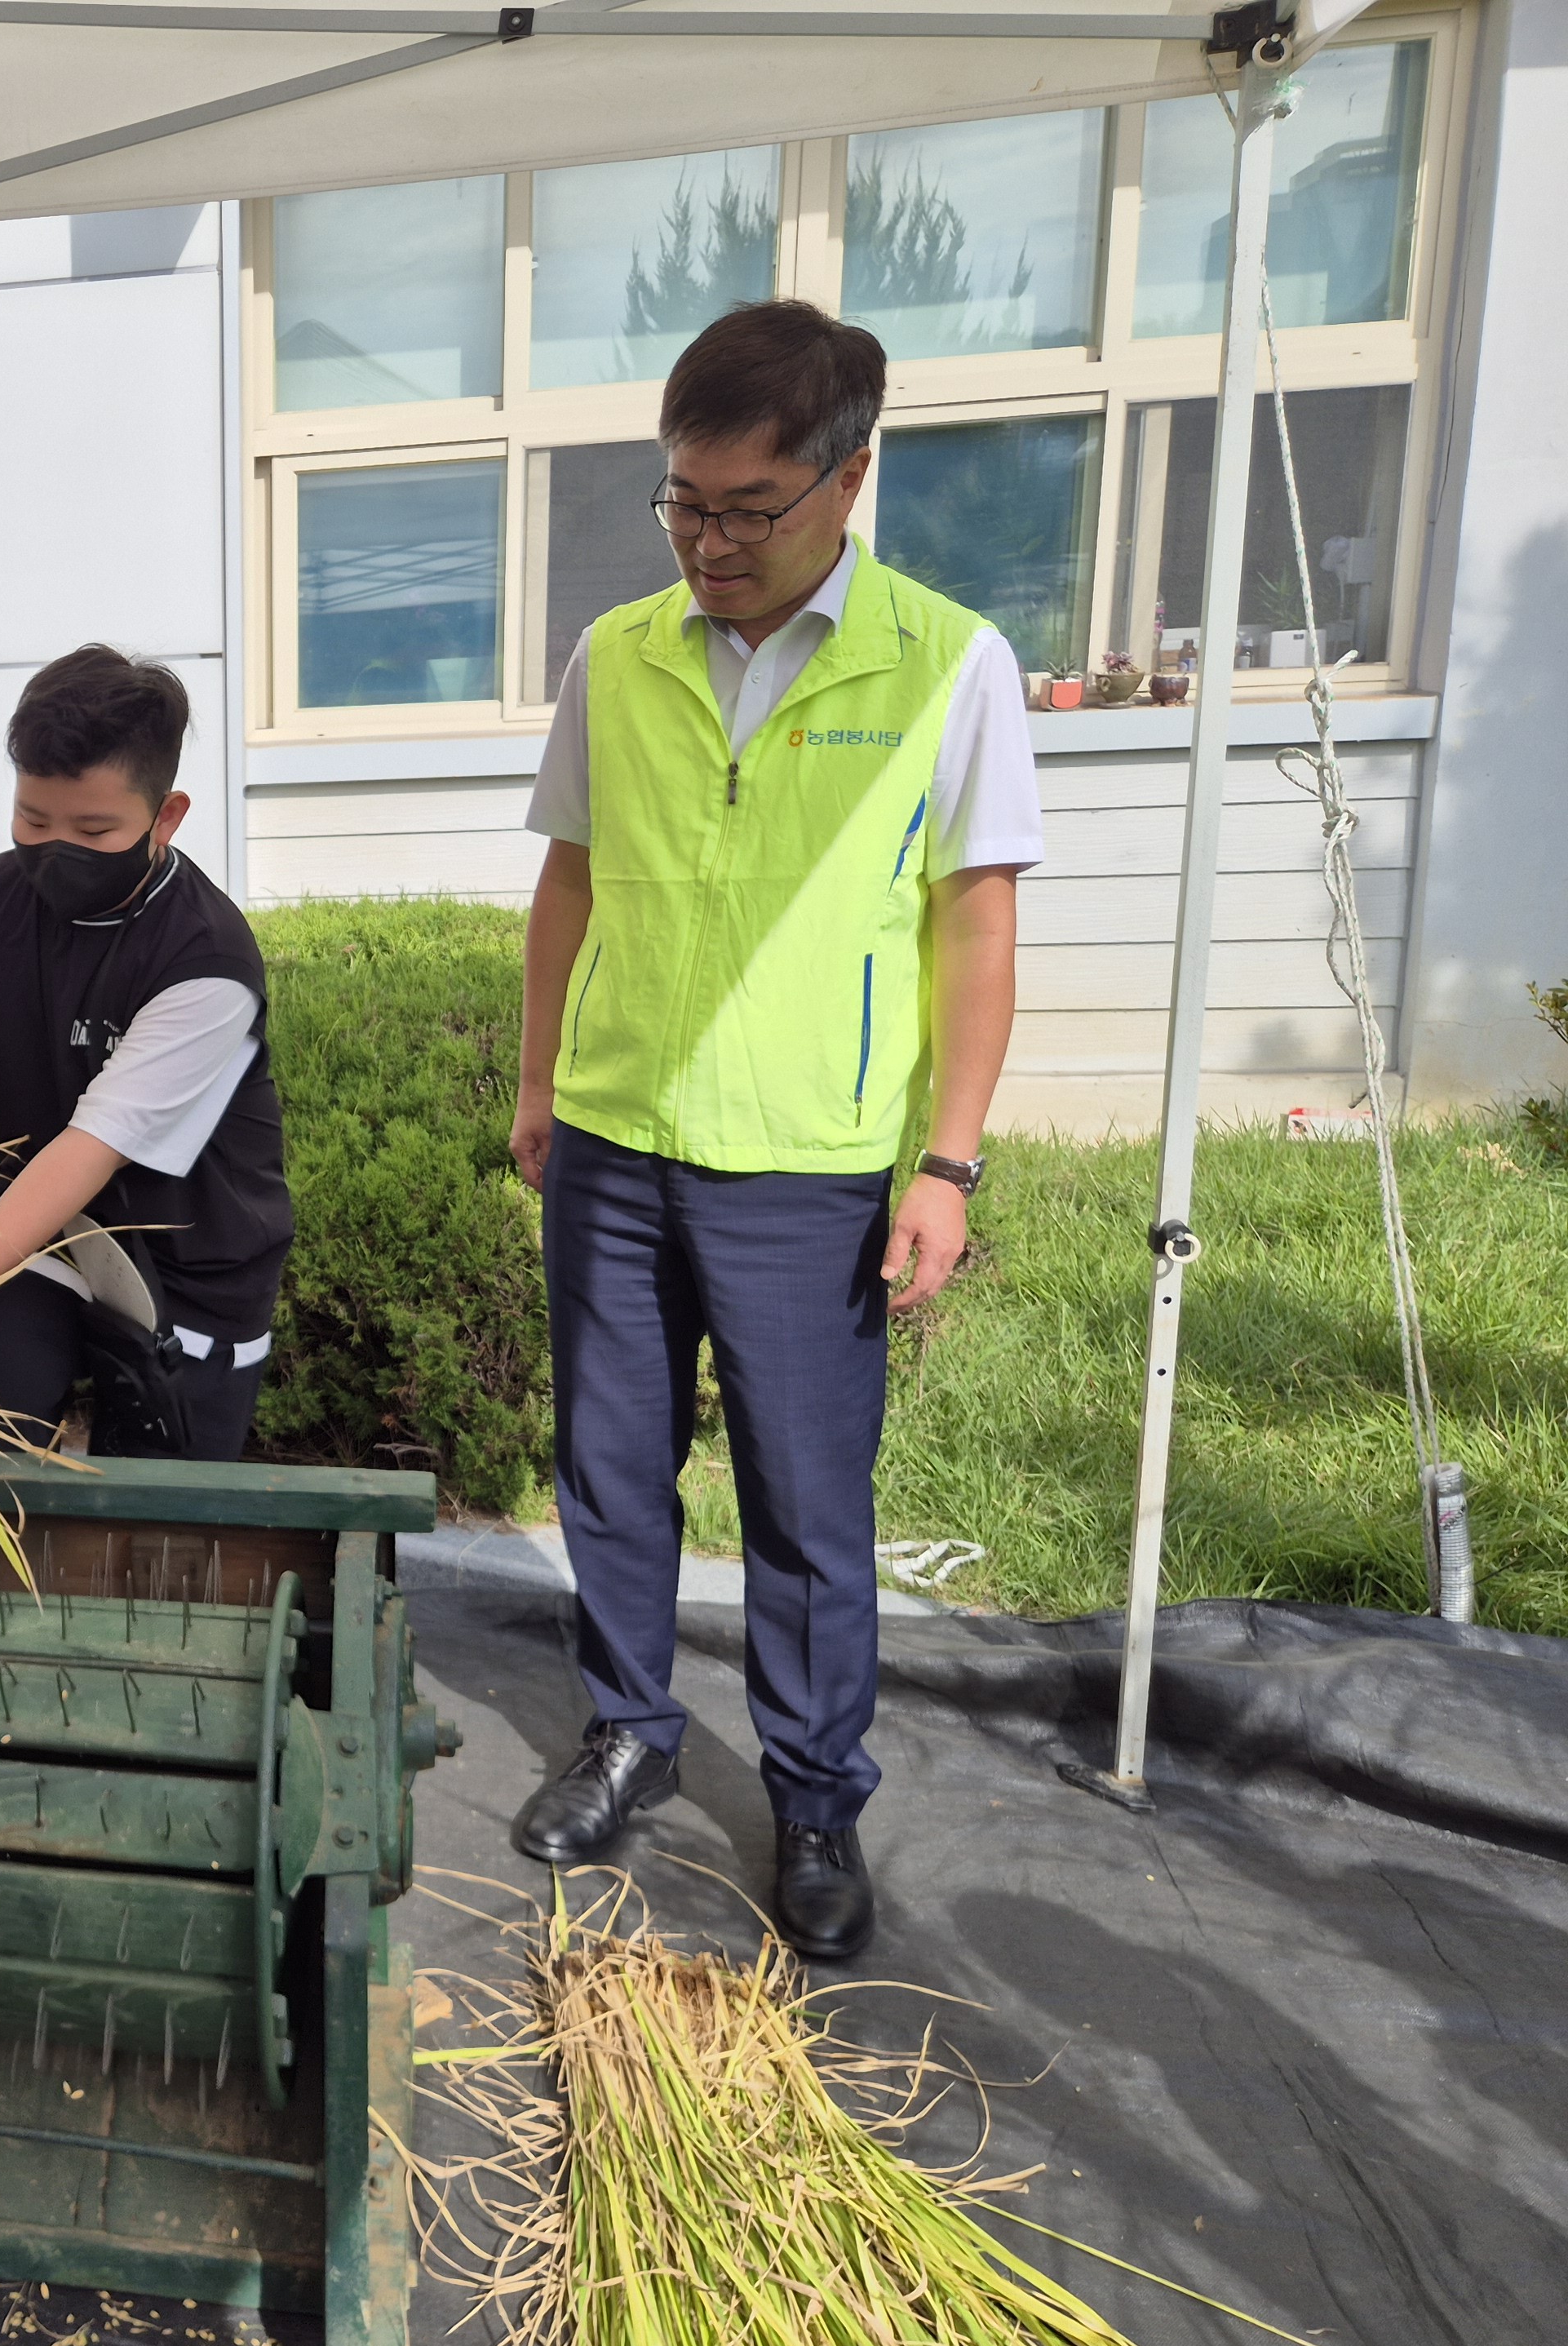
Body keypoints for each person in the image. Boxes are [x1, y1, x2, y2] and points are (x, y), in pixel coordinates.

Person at [503, 299, 1039, 1961]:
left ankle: (812, 1794)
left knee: (803, 1494)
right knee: (607, 1463)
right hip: (611, 1136)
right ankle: (627, 1734)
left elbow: (973, 927)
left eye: (748, 509)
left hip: (806, 1161)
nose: (708, 541)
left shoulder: (947, 663)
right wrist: (536, 1083)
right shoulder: (617, 654)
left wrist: (940, 1161)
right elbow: (568, 884)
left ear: (847, 478)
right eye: (680, 501)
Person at [0, 648, 290, 1463]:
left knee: (160, 1517)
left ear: (166, 817)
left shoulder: (207, 960)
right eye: (33, 820)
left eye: (94, 830)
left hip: (194, 1257)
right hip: (40, 1232)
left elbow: (94, 1143)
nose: (54, 848)